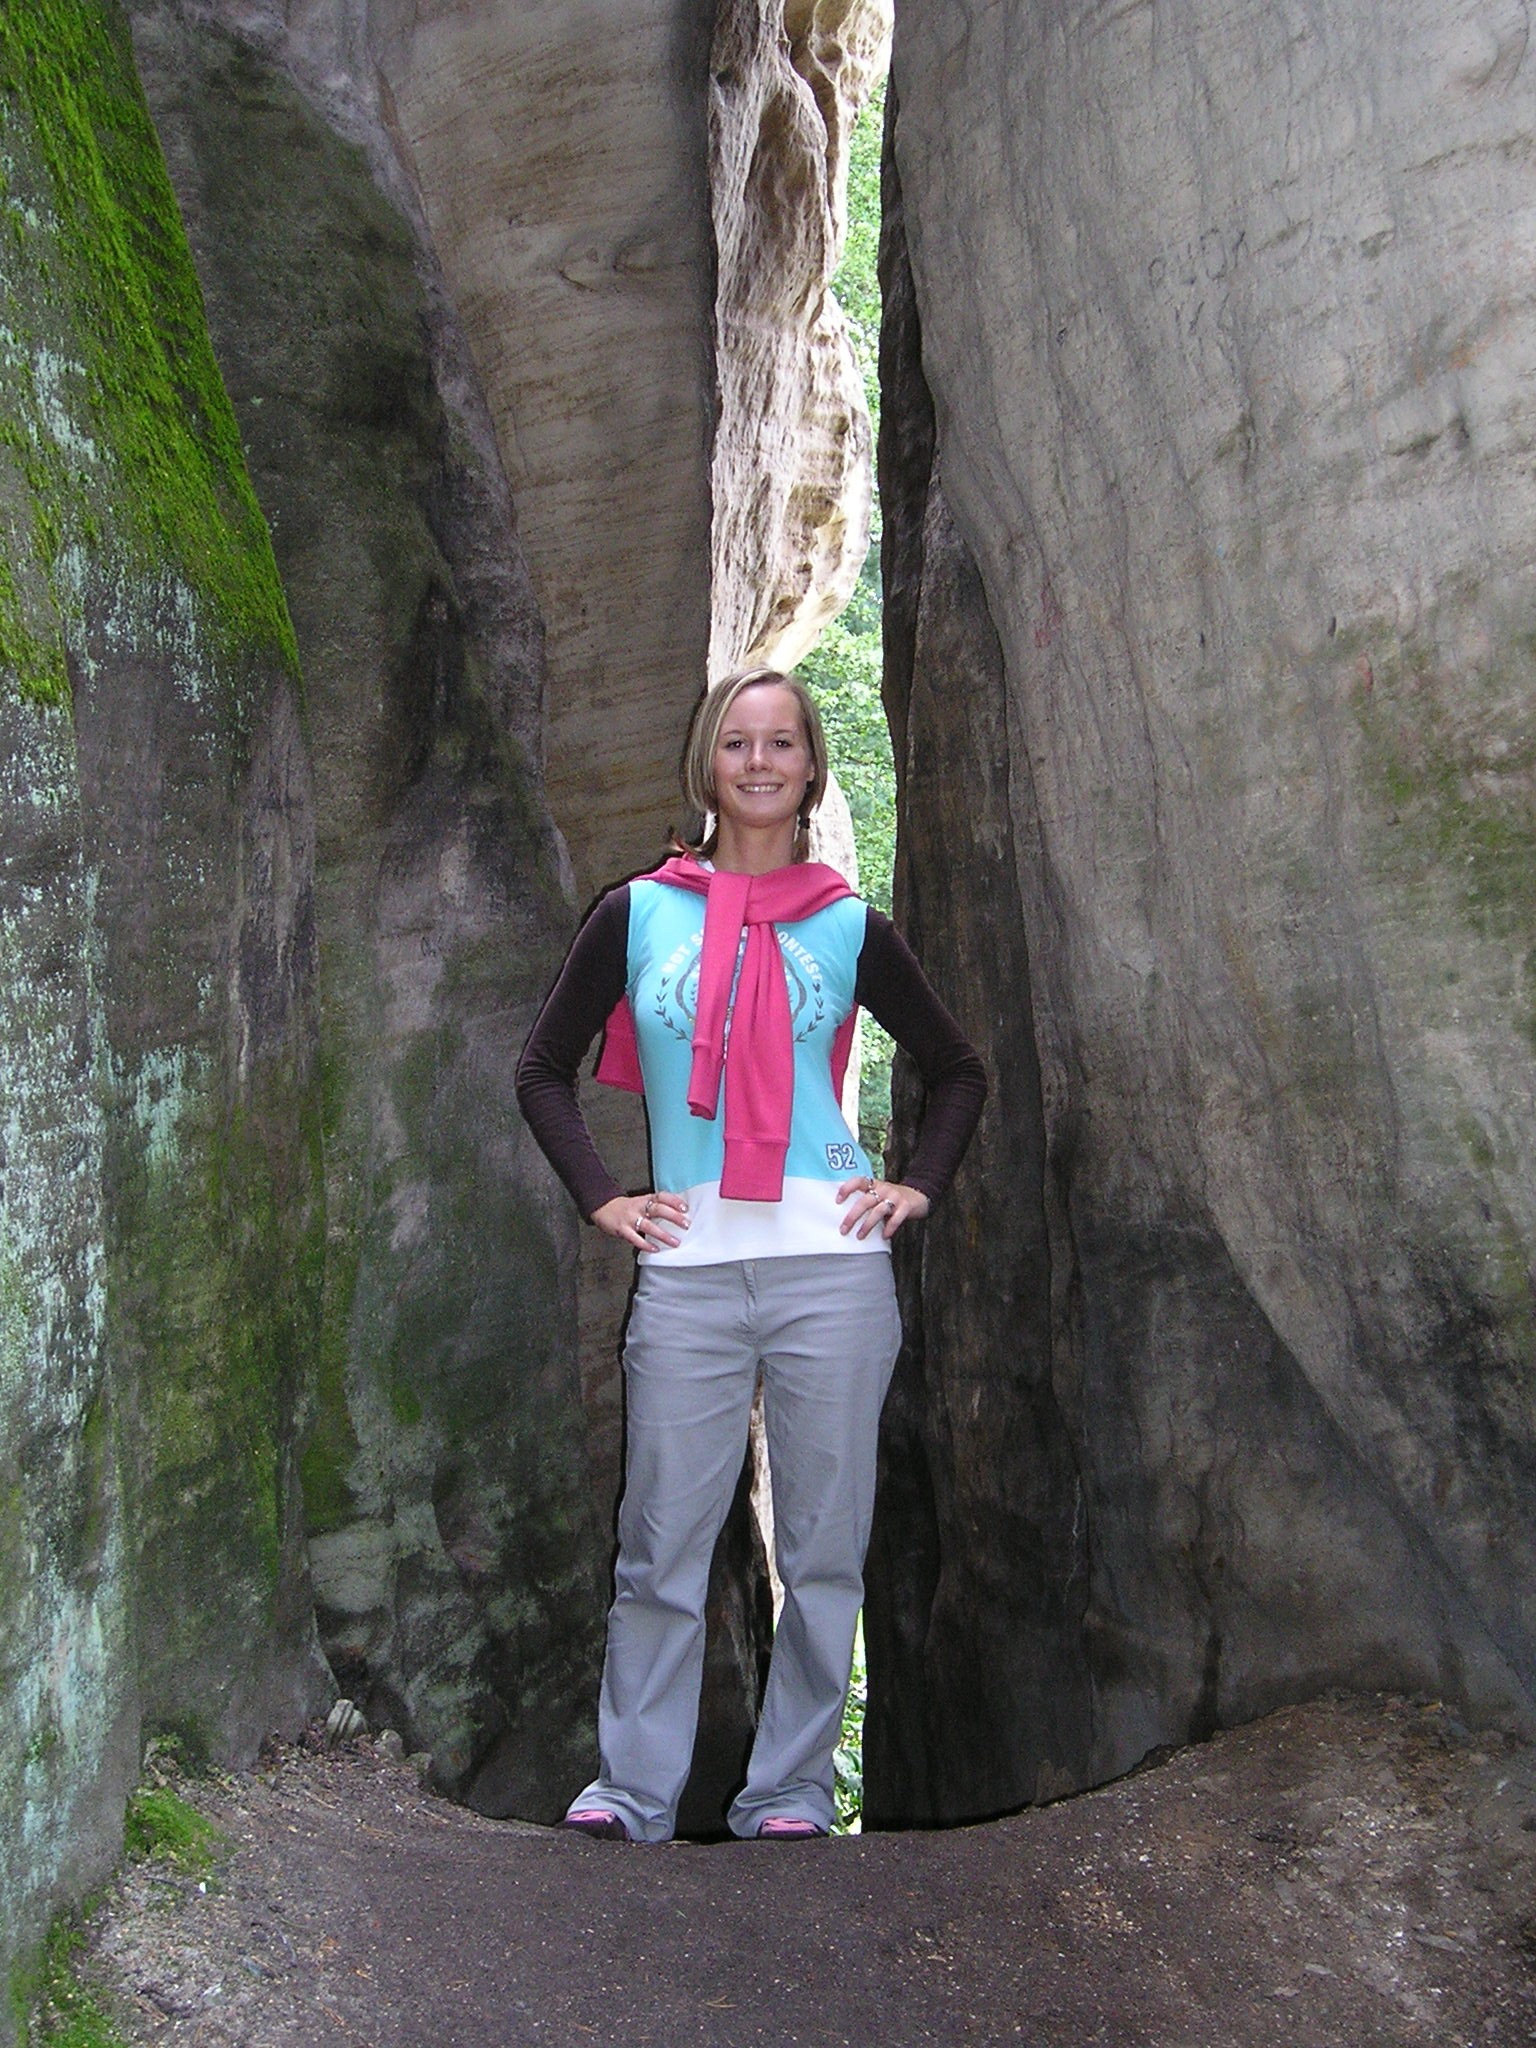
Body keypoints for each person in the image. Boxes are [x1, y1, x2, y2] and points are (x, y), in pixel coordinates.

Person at [515, 665, 986, 1842]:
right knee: (659, 1544)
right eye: (737, 742)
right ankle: (633, 1791)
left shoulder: (848, 923)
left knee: (824, 1549)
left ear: (811, 766)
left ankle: (789, 1790)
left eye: (781, 742)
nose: (759, 761)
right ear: (708, 761)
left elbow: (958, 1069)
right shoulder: (639, 912)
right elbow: (541, 1069)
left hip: (833, 1265)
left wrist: (915, 1183)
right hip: (689, 1274)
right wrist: (603, 1198)